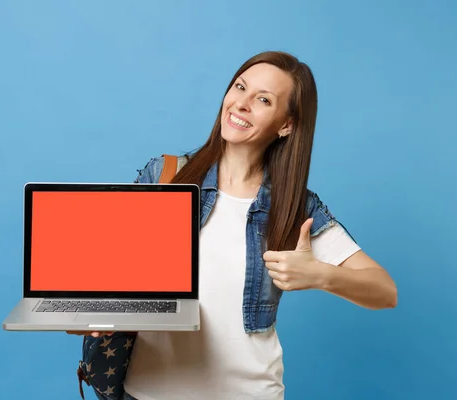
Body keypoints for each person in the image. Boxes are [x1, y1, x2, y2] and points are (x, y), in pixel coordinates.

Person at [69, 51, 397, 400]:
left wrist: (320, 275)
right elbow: (109, 270)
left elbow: (384, 291)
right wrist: (97, 308)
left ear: (286, 125)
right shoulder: (166, 176)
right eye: (240, 87)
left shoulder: (294, 207)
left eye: (263, 100)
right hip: (146, 392)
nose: (241, 104)